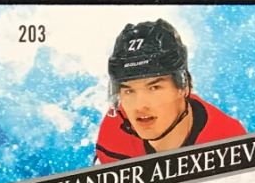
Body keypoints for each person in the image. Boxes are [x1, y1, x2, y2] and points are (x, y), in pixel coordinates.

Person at [93, 18, 245, 162]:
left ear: (184, 87)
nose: (140, 106)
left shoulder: (229, 143)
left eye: (154, 88)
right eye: (129, 91)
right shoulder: (114, 132)